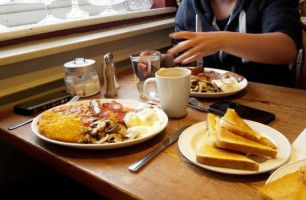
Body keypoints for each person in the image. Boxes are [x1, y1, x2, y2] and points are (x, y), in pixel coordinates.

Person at [165, 0, 303, 87]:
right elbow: (181, 53)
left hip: (270, 96)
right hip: (210, 97)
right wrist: (163, 61)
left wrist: (222, 40)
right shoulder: (188, 6)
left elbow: (287, 49)